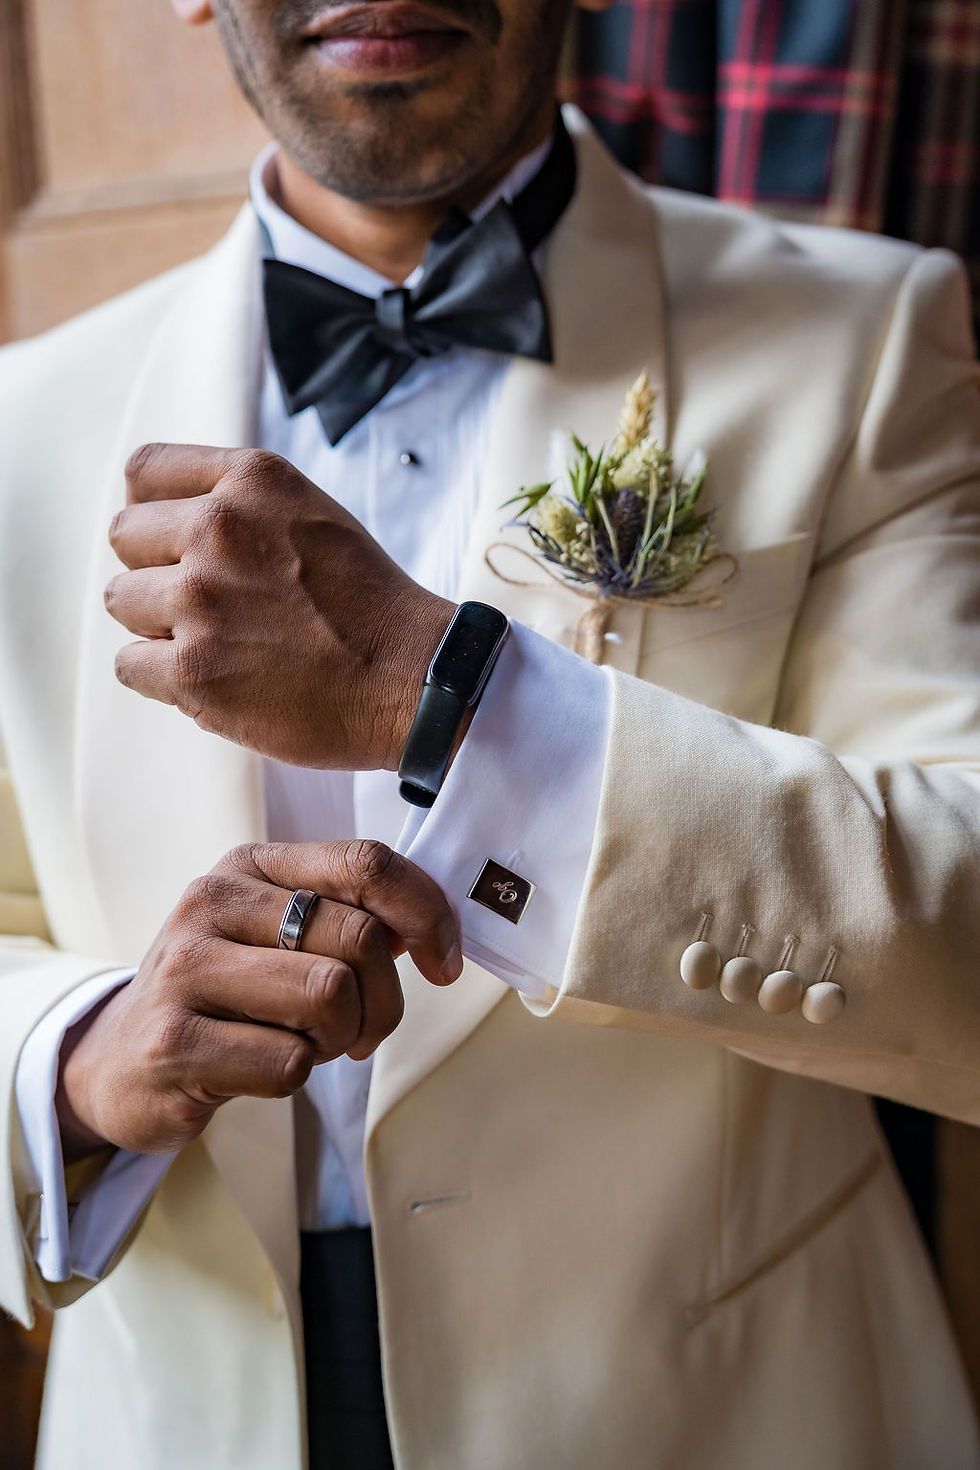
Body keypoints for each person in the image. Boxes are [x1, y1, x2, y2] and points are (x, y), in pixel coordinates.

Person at [1, 1, 979, 1466]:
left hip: (715, 1412)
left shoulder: (871, 337)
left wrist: (437, 690)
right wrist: (76, 1061)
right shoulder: (22, 424)